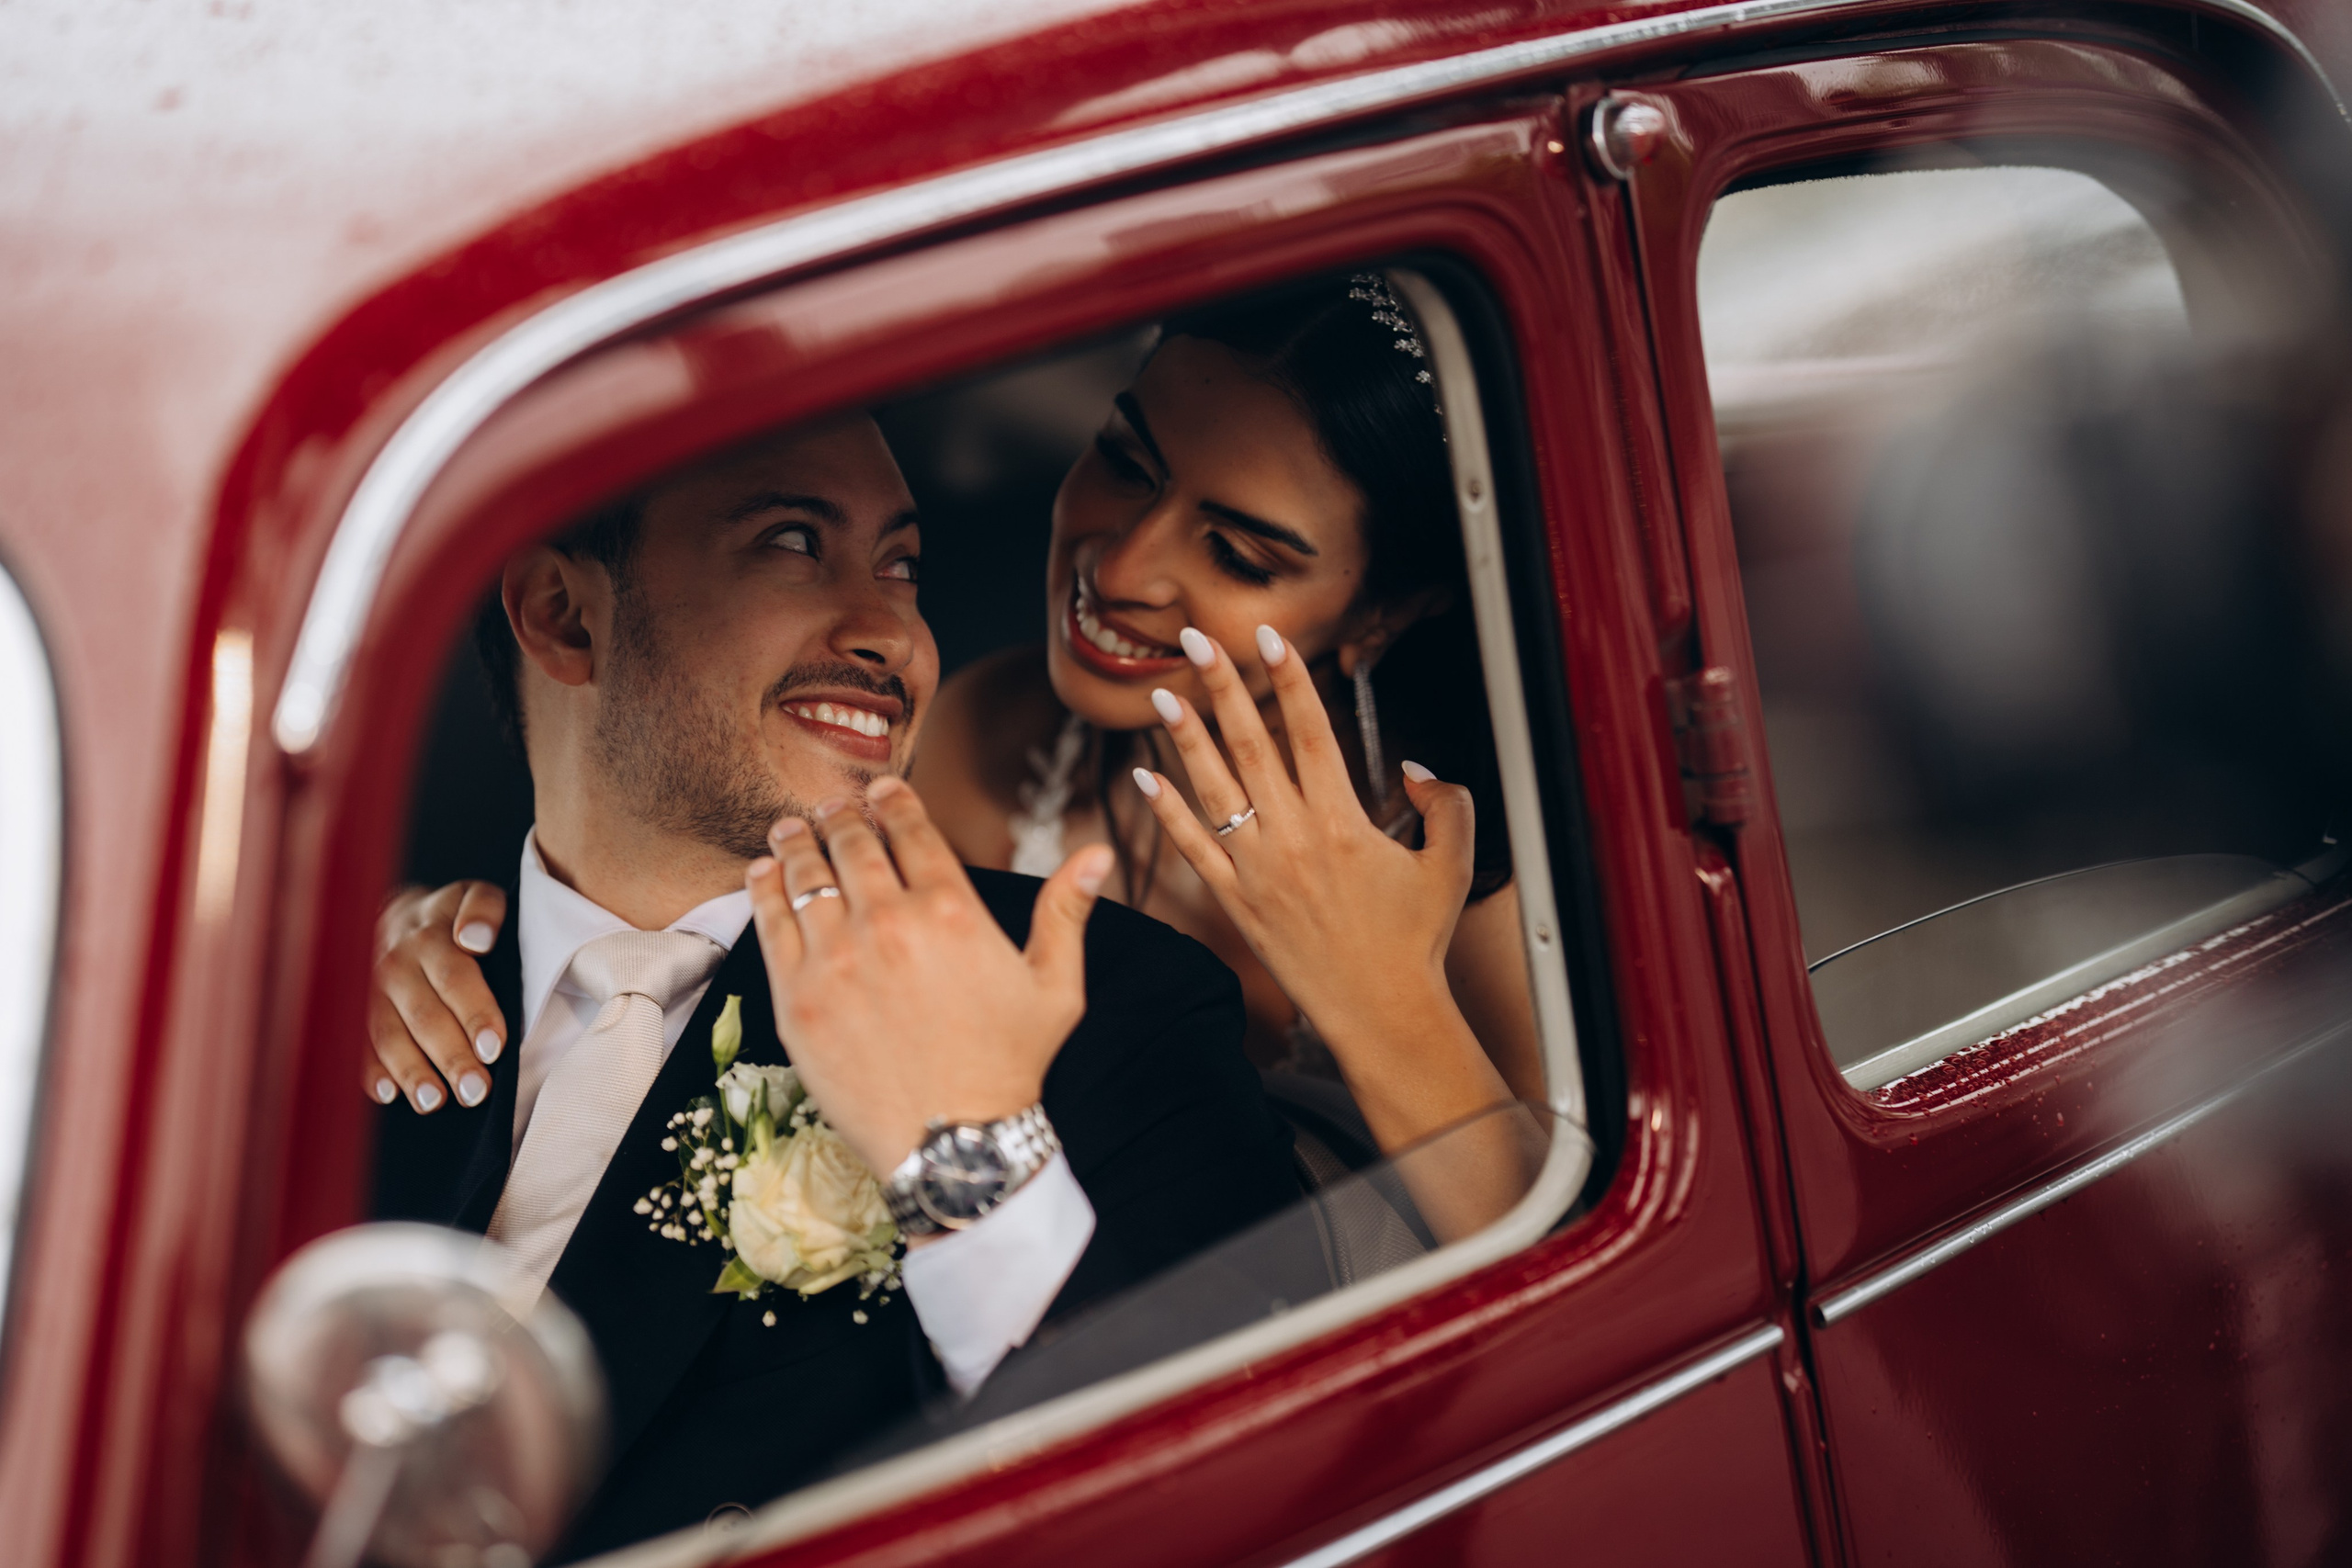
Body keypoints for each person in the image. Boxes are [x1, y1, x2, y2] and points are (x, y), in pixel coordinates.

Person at [368, 413, 1301, 1560]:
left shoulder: (1108, 1004)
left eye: (902, 567)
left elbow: (1237, 1511)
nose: (891, 633)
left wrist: (964, 1151)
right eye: (792, 543)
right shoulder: (357, 1007)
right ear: (564, 617)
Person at [912, 273, 1545, 1234]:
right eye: (1128, 464)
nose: (1120, 568)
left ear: (1385, 609)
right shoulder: (985, 737)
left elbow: (1559, 1249)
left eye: (1240, 557)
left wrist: (1375, 994)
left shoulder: (1474, 861)